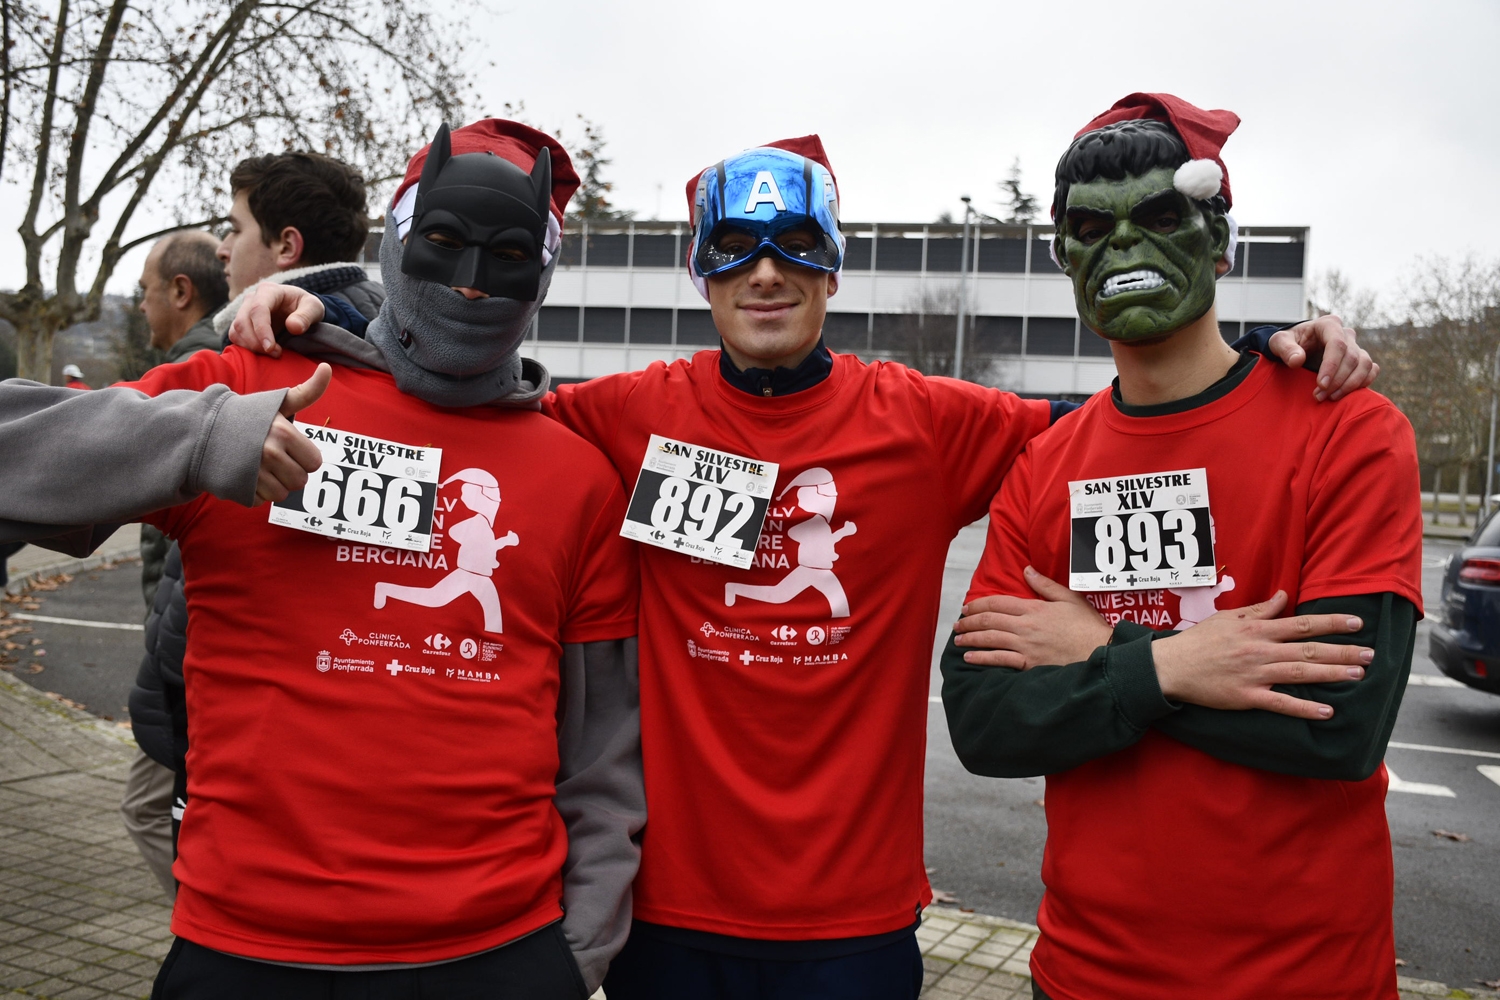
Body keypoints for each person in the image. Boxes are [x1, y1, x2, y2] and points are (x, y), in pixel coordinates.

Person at [228, 134, 1382, 1000]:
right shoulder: (618, 419)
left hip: (855, 927)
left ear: (833, 269)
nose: (766, 275)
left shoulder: (930, 423)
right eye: (735, 252)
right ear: (703, 274)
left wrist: (1277, 352)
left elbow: (1134, 410)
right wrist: (329, 304)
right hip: (665, 915)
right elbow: (461, 396)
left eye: (795, 249)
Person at [0, 119, 643, 998]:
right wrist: (200, 436)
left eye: (508, 253)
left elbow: (601, 744)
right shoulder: (252, 392)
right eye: (444, 241)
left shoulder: (578, 472)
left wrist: (578, 951)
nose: (470, 280)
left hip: (500, 951)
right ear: (400, 239)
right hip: (248, 947)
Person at [941, 94, 1422, 1000]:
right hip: (1082, 974)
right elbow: (982, 719)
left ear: (1217, 240)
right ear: (1066, 257)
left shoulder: (1347, 431)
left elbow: (1341, 728)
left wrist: (1103, 654)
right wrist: (1181, 667)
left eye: (1161, 216)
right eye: (1092, 225)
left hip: (1305, 978)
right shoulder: (1047, 463)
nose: (1125, 245)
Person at [126, 152, 384, 906]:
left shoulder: (239, 357)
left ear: (288, 248)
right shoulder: (394, 344)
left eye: (234, 230)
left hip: (220, 703)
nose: (221, 250)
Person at [121, 229, 231, 899]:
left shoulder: (194, 384)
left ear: (181, 292)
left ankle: (217, 931)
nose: (141, 306)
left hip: (185, 662)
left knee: (150, 808)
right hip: (184, 656)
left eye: (145, 292)